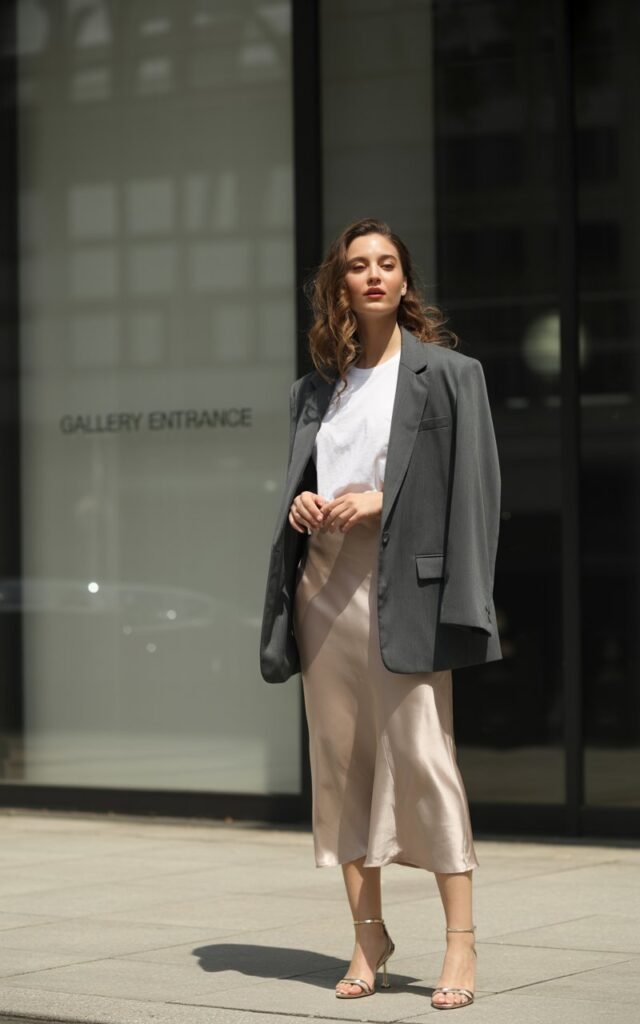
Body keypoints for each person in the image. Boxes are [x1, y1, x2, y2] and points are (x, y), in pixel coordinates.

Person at [260, 217, 502, 1008]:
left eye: (386, 264)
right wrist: (305, 504)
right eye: (357, 266)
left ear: (405, 283)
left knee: (426, 763)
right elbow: (316, 477)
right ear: (340, 286)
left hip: (407, 587)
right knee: (342, 771)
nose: (371, 276)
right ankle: (369, 938)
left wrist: (380, 504)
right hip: (323, 588)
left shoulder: (450, 374)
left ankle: (460, 946)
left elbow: (476, 496)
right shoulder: (315, 389)